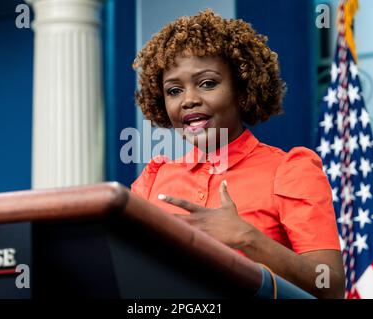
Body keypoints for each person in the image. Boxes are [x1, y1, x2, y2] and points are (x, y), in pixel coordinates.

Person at [130, 9, 345, 298]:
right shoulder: (153, 180)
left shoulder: (291, 169)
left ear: (242, 91)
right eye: (174, 90)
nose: (189, 100)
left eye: (208, 83)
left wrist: (245, 237)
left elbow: (329, 287)